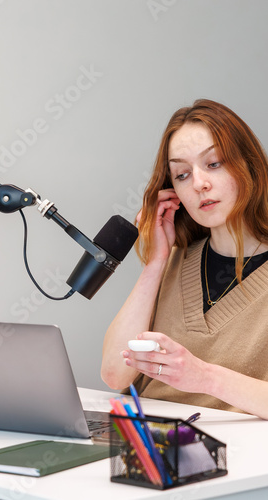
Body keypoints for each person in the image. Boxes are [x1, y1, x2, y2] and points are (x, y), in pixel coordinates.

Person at [101, 99, 268, 419]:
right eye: (181, 174)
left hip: (233, 457)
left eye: (214, 163)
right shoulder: (174, 262)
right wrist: (155, 263)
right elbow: (114, 374)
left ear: (248, 164)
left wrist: (204, 377)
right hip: (144, 445)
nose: (199, 184)